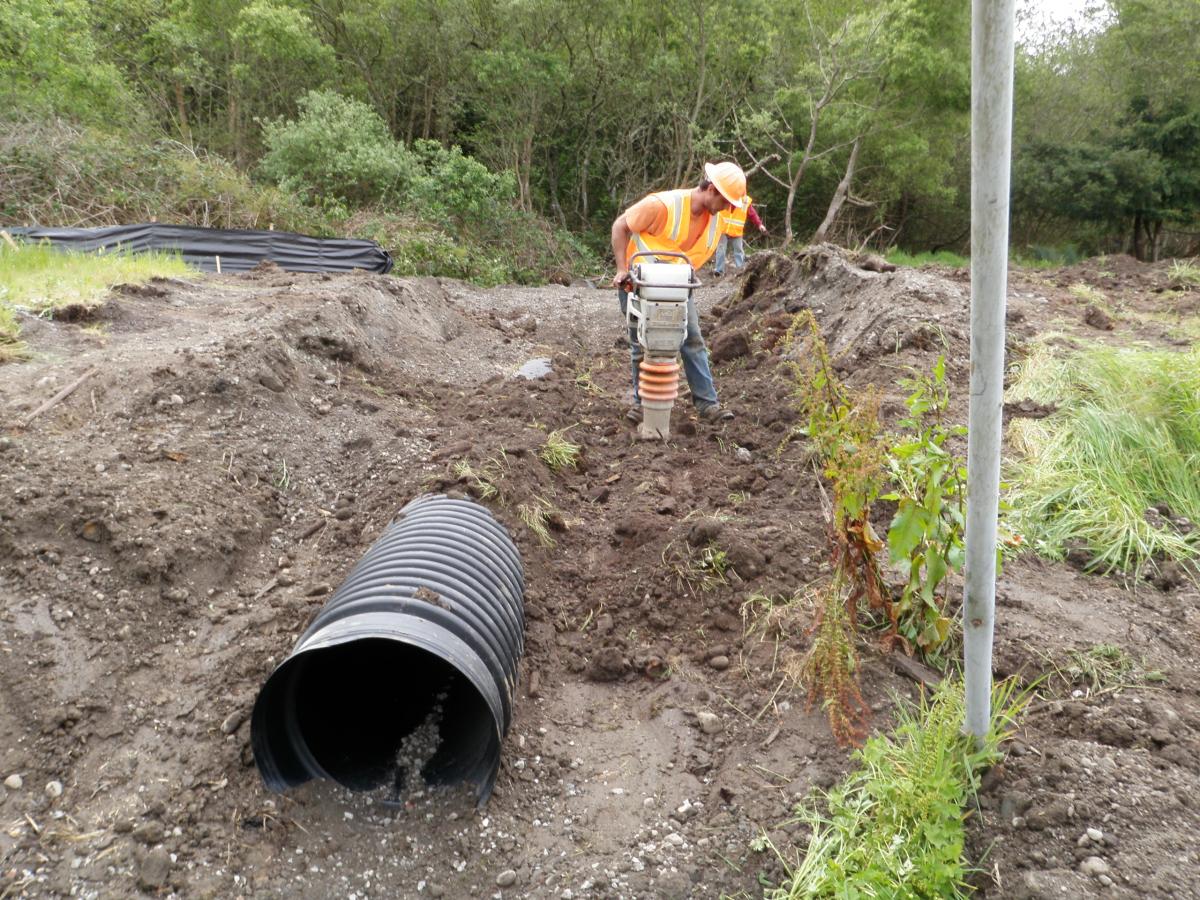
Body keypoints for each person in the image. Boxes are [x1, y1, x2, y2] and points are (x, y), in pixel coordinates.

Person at [610, 161, 747, 424]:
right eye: (727, 201)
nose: (729, 208)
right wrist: (620, 269)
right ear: (711, 189)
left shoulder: (715, 223)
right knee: (642, 342)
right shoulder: (662, 205)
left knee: (692, 340)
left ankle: (708, 404)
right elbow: (620, 226)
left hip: (676, 287)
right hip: (639, 284)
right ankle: (642, 404)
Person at [713, 196, 766, 277]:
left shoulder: (745, 201)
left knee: (738, 251)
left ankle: (740, 271)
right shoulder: (726, 194)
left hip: (737, 231)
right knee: (721, 249)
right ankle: (719, 271)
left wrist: (759, 225)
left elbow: (753, 214)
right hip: (722, 228)